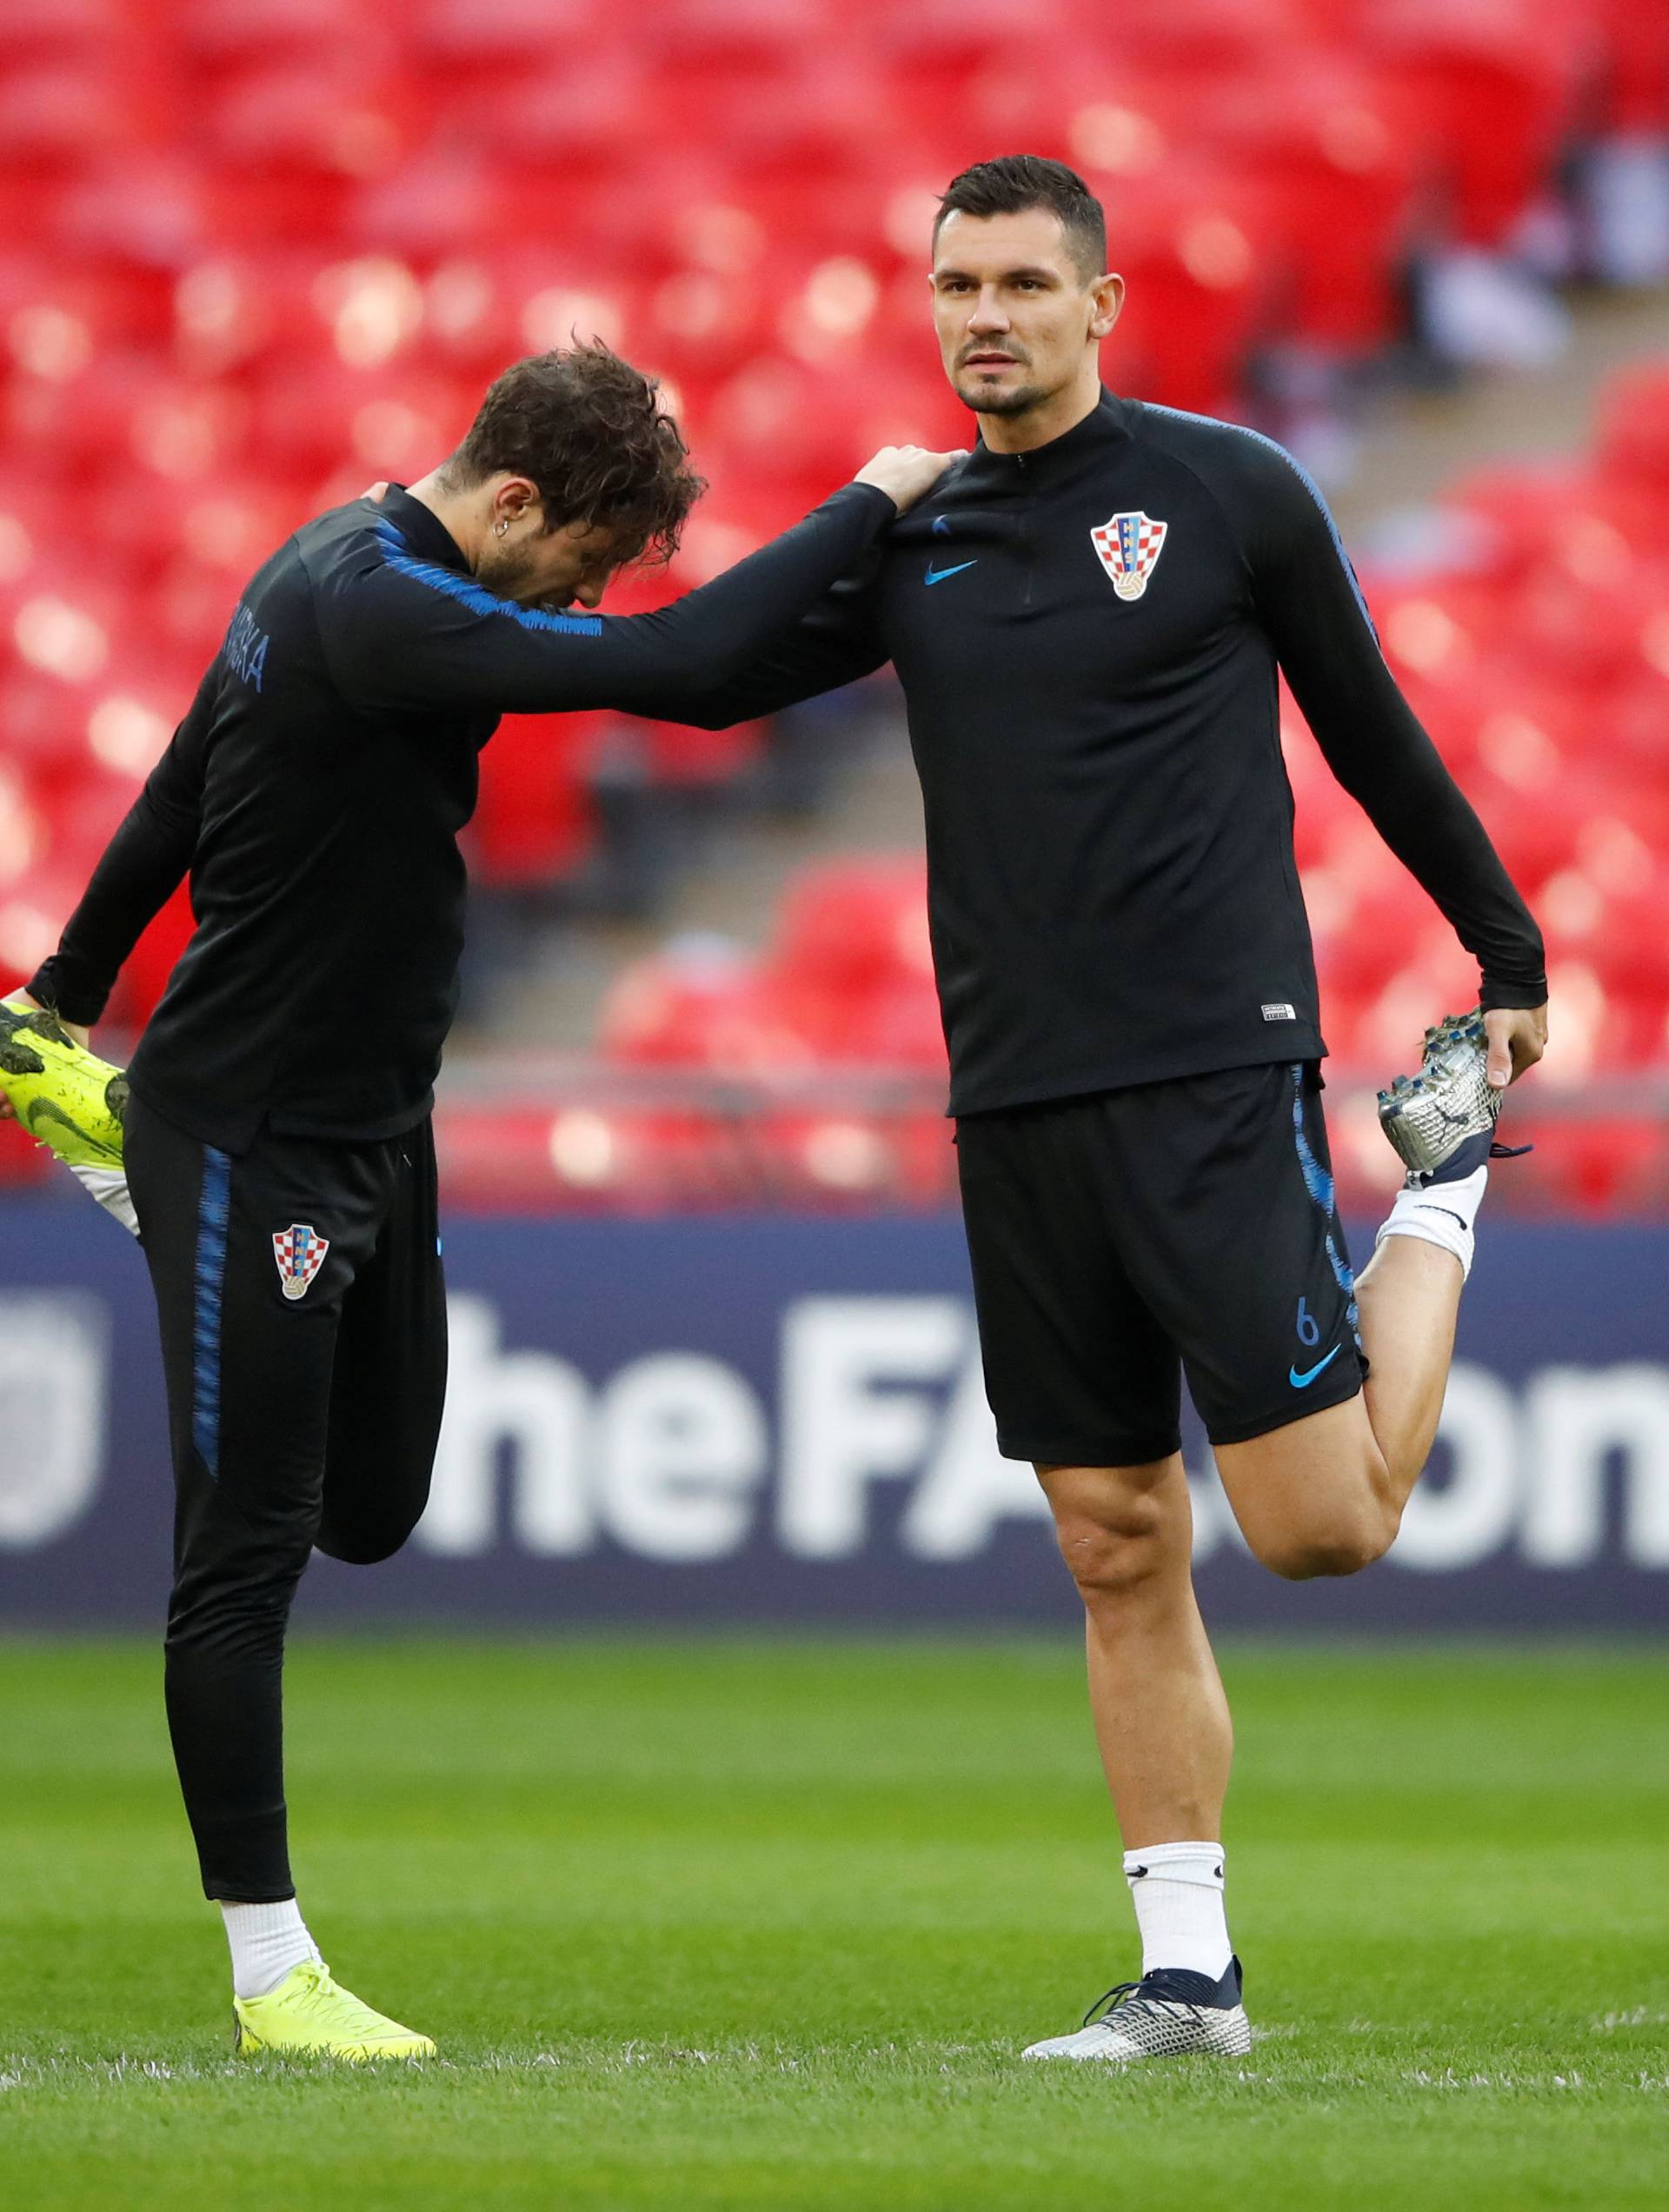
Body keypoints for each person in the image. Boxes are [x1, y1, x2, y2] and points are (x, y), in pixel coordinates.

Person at [621, 156, 1550, 2062]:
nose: (985, 316)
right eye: (956, 282)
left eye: (1027, 283)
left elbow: (1372, 725)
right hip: (1016, 1093)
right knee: (1117, 1539)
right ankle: (1189, 1982)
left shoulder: (1227, 494)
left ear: (1104, 305)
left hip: (1212, 1063)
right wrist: (854, 510)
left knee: (1319, 1533)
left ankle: (1439, 1192)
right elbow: (700, 678)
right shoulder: (917, 533)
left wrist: (1504, 951)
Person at [0, 341, 958, 2060]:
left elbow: (175, 787)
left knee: (371, 1505)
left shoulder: (351, 573)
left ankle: (112, 1131)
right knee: (244, 1560)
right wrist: (872, 505)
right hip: (254, 1138)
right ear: (512, 499)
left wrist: (59, 995)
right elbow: (695, 673)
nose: (584, 595)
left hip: (380, 1128)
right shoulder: (374, 606)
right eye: (579, 560)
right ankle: (270, 1971)